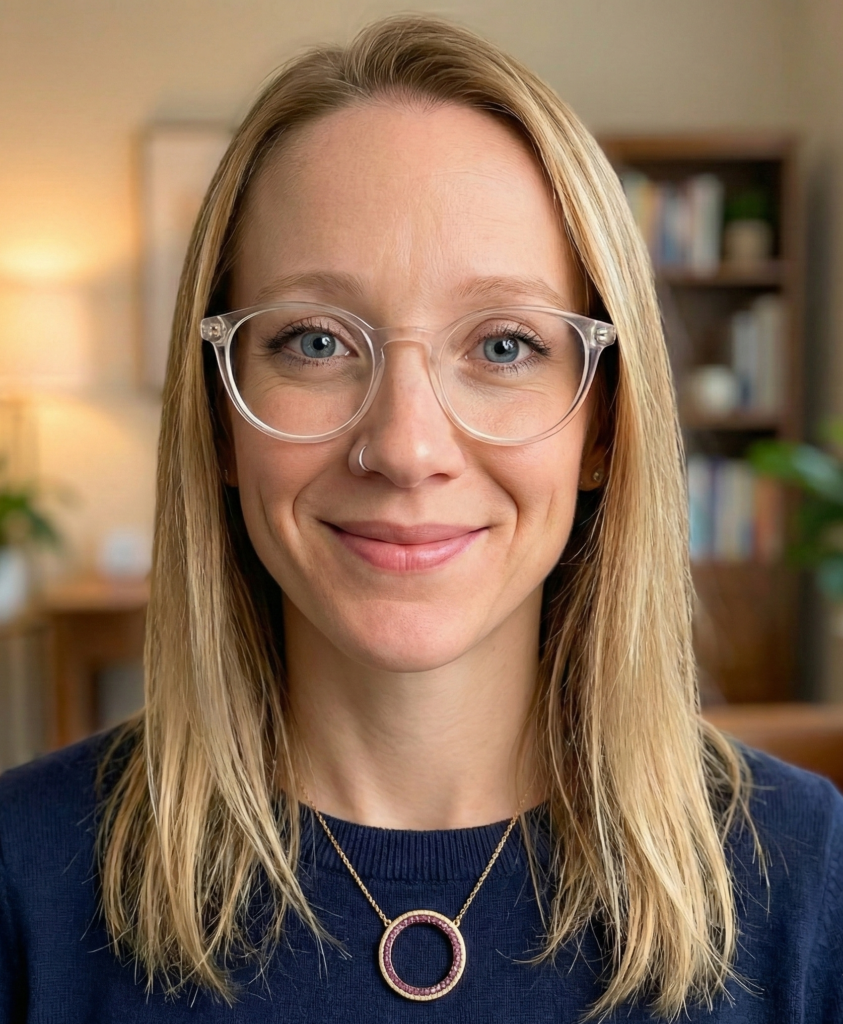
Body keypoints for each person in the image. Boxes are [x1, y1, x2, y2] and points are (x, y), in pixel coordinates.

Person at [1, 15, 841, 1023]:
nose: (404, 448)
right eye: (315, 341)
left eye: (503, 346)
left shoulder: (808, 877)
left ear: (604, 425)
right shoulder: (23, 882)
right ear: (221, 415)